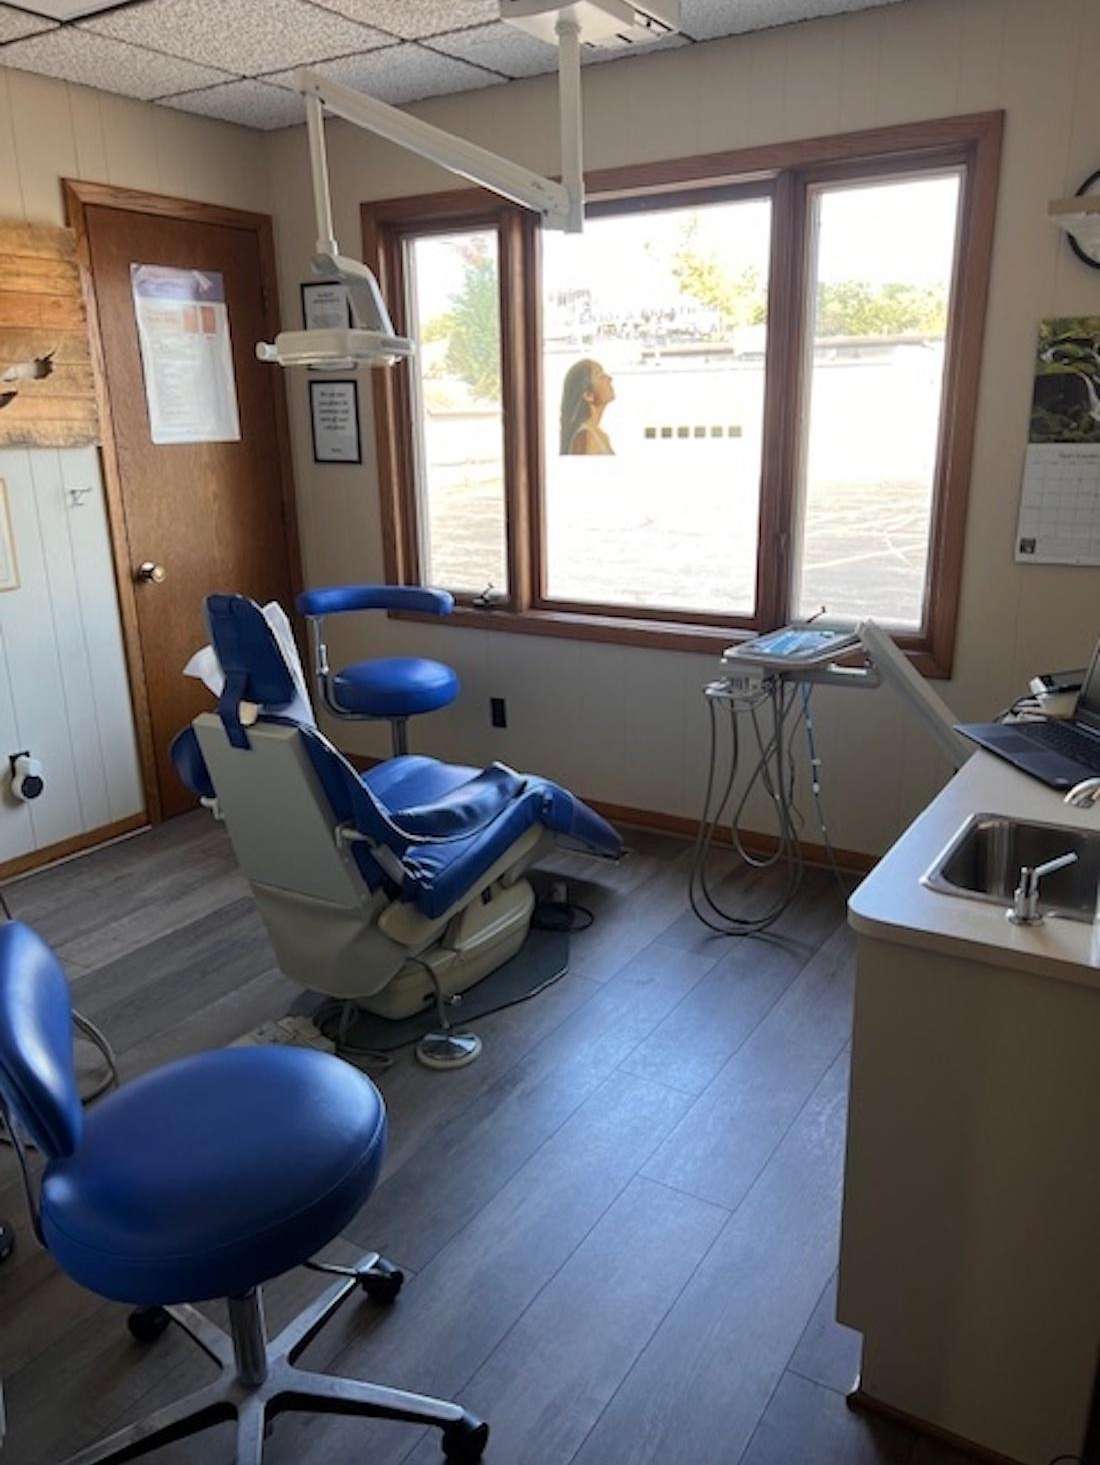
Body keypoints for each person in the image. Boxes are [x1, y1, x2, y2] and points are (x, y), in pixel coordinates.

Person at [560, 358, 616, 455]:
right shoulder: (587, 437)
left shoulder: (597, 435)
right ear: (588, 395)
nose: (609, 378)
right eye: (600, 375)